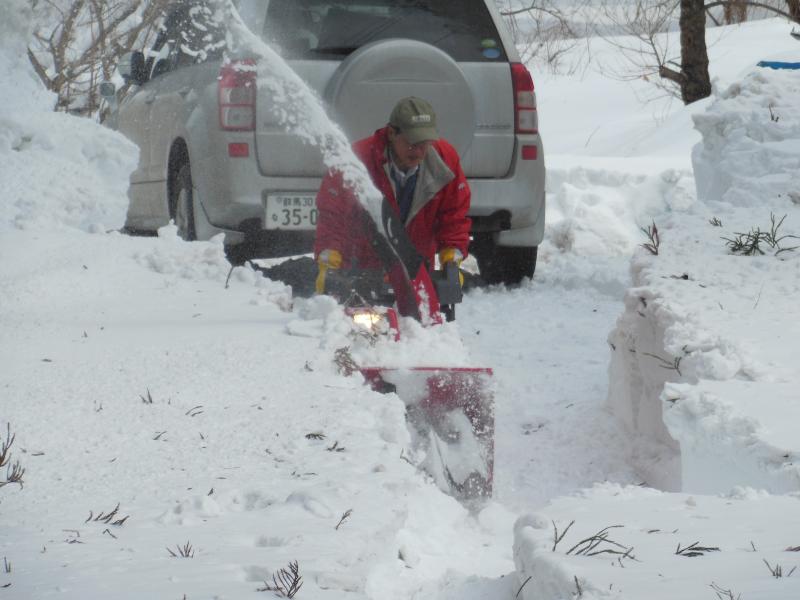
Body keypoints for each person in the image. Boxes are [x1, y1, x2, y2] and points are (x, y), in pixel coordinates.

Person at [314, 96, 471, 295]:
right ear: (391, 133)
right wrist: (330, 260)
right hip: (361, 273)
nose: (420, 152)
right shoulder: (355, 160)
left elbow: (454, 216)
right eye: (412, 143)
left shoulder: (445, 161)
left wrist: (452, 258)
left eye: (425, 143)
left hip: (419, 276)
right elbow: (333, 217)